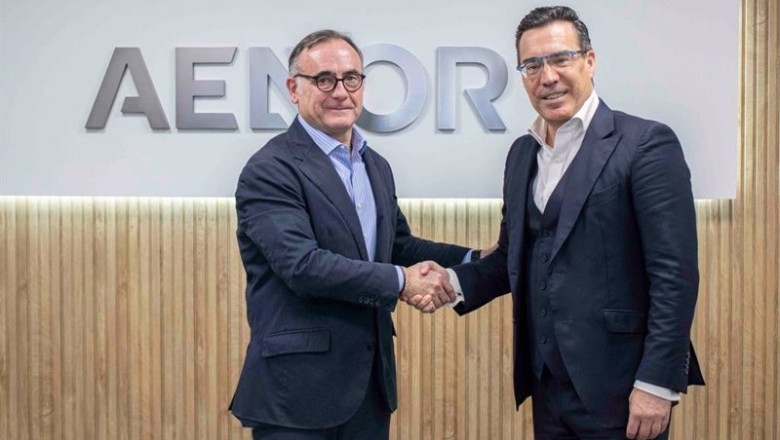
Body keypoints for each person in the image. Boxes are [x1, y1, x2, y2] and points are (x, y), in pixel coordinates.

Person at [441, 6, 705, 440]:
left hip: (622, 389)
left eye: (560, 59)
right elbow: (512, 257)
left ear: (589, 61)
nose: (547, 77)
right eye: (532, 65)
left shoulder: (645, 143)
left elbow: (674, 274)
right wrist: (449, 282)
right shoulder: (521, 154)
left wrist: (657, 383)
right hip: (547, 388)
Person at [229, 29, 478, 440]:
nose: (340, 92)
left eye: (351, 78)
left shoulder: (374, 165)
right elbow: (302, 266)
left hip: (367, 389)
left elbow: (397, 246)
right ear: (293, 88)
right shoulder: (270, 169)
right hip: (298, 396)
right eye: (324, 79)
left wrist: (475, 259)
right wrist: (402, 282)